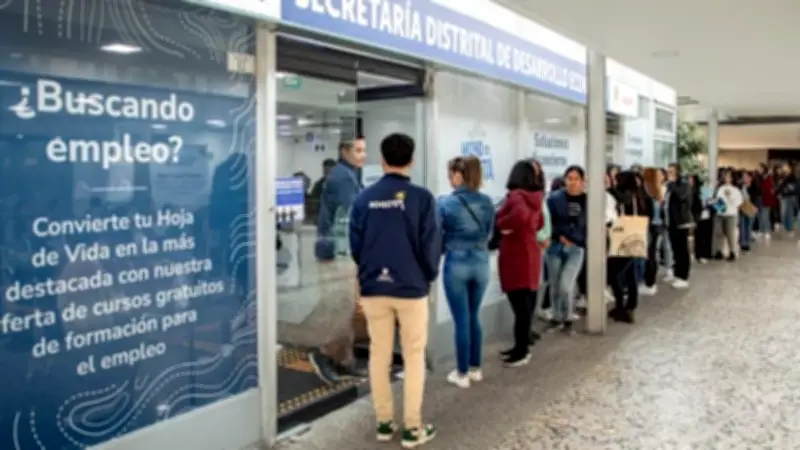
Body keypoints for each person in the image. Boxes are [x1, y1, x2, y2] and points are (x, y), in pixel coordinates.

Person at [349, 133, 440, 447]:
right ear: (411, 160)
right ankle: (413, 428)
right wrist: (427, 276)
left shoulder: (364, 198)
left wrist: (369, 271)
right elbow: (431, 245)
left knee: (379, 354)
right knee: (413, 356)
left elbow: (356, 245)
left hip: (374, 287)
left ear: (382, 159)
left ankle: (384, 423)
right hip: (411, 288)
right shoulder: (422, 198)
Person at [309, 139, 367, 384]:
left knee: (346, 308)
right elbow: (351, 215)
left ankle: (345, 359)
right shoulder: (343, 177)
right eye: (358, 150)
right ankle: (324, 354)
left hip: (342, 251)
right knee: (337, 307)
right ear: (344, 151)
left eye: (364, 150)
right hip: (336, 253)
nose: (363, 155)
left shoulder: (349, 175)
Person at [437, 156, 494, 388]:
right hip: (481, 261)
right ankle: (475, 368)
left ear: (459, 175)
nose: (449, 179)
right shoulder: (487, 202)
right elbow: (490, 233)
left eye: (451, 175)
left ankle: (461, 373)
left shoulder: (445, 203)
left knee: (461, 319)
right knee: (473, 316)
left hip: (456, 262)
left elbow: (437, 235)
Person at [495, 160, 544, 366]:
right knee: (526, 304)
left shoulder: (516, 196)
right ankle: (520, 346)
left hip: (515, 254)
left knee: (519, 305)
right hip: (531, 251)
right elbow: (540, 222)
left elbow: (519, 216)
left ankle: (521, 351)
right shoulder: (536, 197)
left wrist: (501, 224)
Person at [545, 165, 587, 334]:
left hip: (576, 248)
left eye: (576, 179)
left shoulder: (587, 201)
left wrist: (575, 239)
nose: (573, 182)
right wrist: (560, 236)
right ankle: (557, 317)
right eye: (569, 178)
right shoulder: (554, 199)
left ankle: (568, 316)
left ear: (583, 181)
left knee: (566, 284)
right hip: (555, 246)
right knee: (555, 284)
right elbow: (548, 222)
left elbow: (586, 225)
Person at [608, 171, 652, 323]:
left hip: (624, 238)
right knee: (630, 274)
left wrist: (610, 189)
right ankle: (630, 306)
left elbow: (622, 199)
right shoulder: (640, 194)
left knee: (612, 273)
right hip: (636, 237)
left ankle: (621, 306)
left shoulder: (629, 195)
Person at [640, 168, 669, 295]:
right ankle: (650, 282)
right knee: (652, 254)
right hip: (658, 226)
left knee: (650, 254)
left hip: (651, 226)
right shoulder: (658, 191)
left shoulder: (648, 193)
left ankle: (649, 283)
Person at [665, 163, 693, 288]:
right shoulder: (669, 185)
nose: (669, 174)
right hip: (671, 222)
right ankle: (677, 273)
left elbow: (681, 196)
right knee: (675, 250)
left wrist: (671, 184)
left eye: (671, 171)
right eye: (668, 171)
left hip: (681, 222)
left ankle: (683, 276)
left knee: (682, 250)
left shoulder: (684, 184)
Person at [715, 169, 743, 261]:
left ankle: (732, 251)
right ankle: (719, 250)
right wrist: (718, 208)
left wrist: (729, 197)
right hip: (720, 213)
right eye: (725, 176)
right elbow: (718, 199)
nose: (726, 178)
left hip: (731, 214)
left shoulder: (736, 190)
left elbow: (738, 203)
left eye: (728, 176)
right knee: (719, 233)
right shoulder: (720, 188)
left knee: (730, 233)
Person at [776, 162, 797, 236]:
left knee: (789, 213)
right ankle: (787, 227)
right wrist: (778, 193)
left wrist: (782, 192)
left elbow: (790, 187)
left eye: (785, 166)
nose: (783, 168)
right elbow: (780, 186)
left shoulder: (792, 176)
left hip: (789, 197)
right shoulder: (784, 176)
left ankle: (790, 229)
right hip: (783, 196)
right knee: (783, 213)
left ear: (789, 168)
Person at [740, 171, 759, 252]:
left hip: (751, 209)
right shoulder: (741, 186)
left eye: (746, 177)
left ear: (751, 178)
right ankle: (743, 243)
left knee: (748, 226)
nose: (745, 179)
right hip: (742, 208)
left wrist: (754, 207)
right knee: (742, 226)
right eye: (744, 177)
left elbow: (754, 199)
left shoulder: (754, 187)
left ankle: (747, 242)